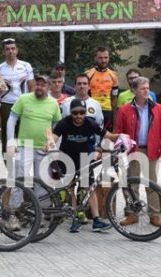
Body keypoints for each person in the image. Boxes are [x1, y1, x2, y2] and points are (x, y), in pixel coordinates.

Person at [47, 99, 121, 233]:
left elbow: (108, 135)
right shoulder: (64, 123)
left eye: (82, 113)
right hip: (67, 158)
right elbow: (54, 137)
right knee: (71, 188)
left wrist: (121, 137)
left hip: (84, 158)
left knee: (89, 188)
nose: (79, 116)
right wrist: (49, 143)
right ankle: (74, 217)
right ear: (71, 113)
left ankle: (97, 219)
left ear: (86, 112)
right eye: (75, 113)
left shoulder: (91, 123)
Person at [7, 74, 63, 229]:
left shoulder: (53, 104)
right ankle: (13, 214)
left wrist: (54, 144)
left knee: (42, 182)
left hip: (43, 147)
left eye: (43, 85)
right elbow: (12, 119)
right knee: (19, 178)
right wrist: (11, 141)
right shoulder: (24, 99)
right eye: (37, 84)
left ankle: (38, 215)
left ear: (49, 87)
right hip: (24, 145)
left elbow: (58, 125)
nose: (39, 87)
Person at [115, 76, 161, 226]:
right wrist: (121, 150)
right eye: (142, 88)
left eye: (147, 88)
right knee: (132, 184)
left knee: (152, 183)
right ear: (134, 90)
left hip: (151, 150)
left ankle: (154, 214)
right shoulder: (125, 110)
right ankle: (132, 214)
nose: (146, 91)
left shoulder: (158, 108)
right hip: (133, 150)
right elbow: (119, 131)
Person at [0, 38, 35, 153]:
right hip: (6, 105)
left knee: (25, 134)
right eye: (7, 49)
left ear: (17, 50)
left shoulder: (26, 66)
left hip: (23, 104)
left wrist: (32, 104)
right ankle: (9, 166)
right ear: (3, 52)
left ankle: (24, 163)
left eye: (13, 48)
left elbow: (31, 86)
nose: (10, 51)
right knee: (7, 136)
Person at [86, 47, 119, 130]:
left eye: (106, 57)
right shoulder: (88, 74)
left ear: (109, 58)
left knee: (106, 139)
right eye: (100, 58)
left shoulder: (113, 75)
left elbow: (114, 98)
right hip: (91, 110)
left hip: (107, 110)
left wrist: (115, 122)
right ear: (96, 58)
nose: (103, 60)